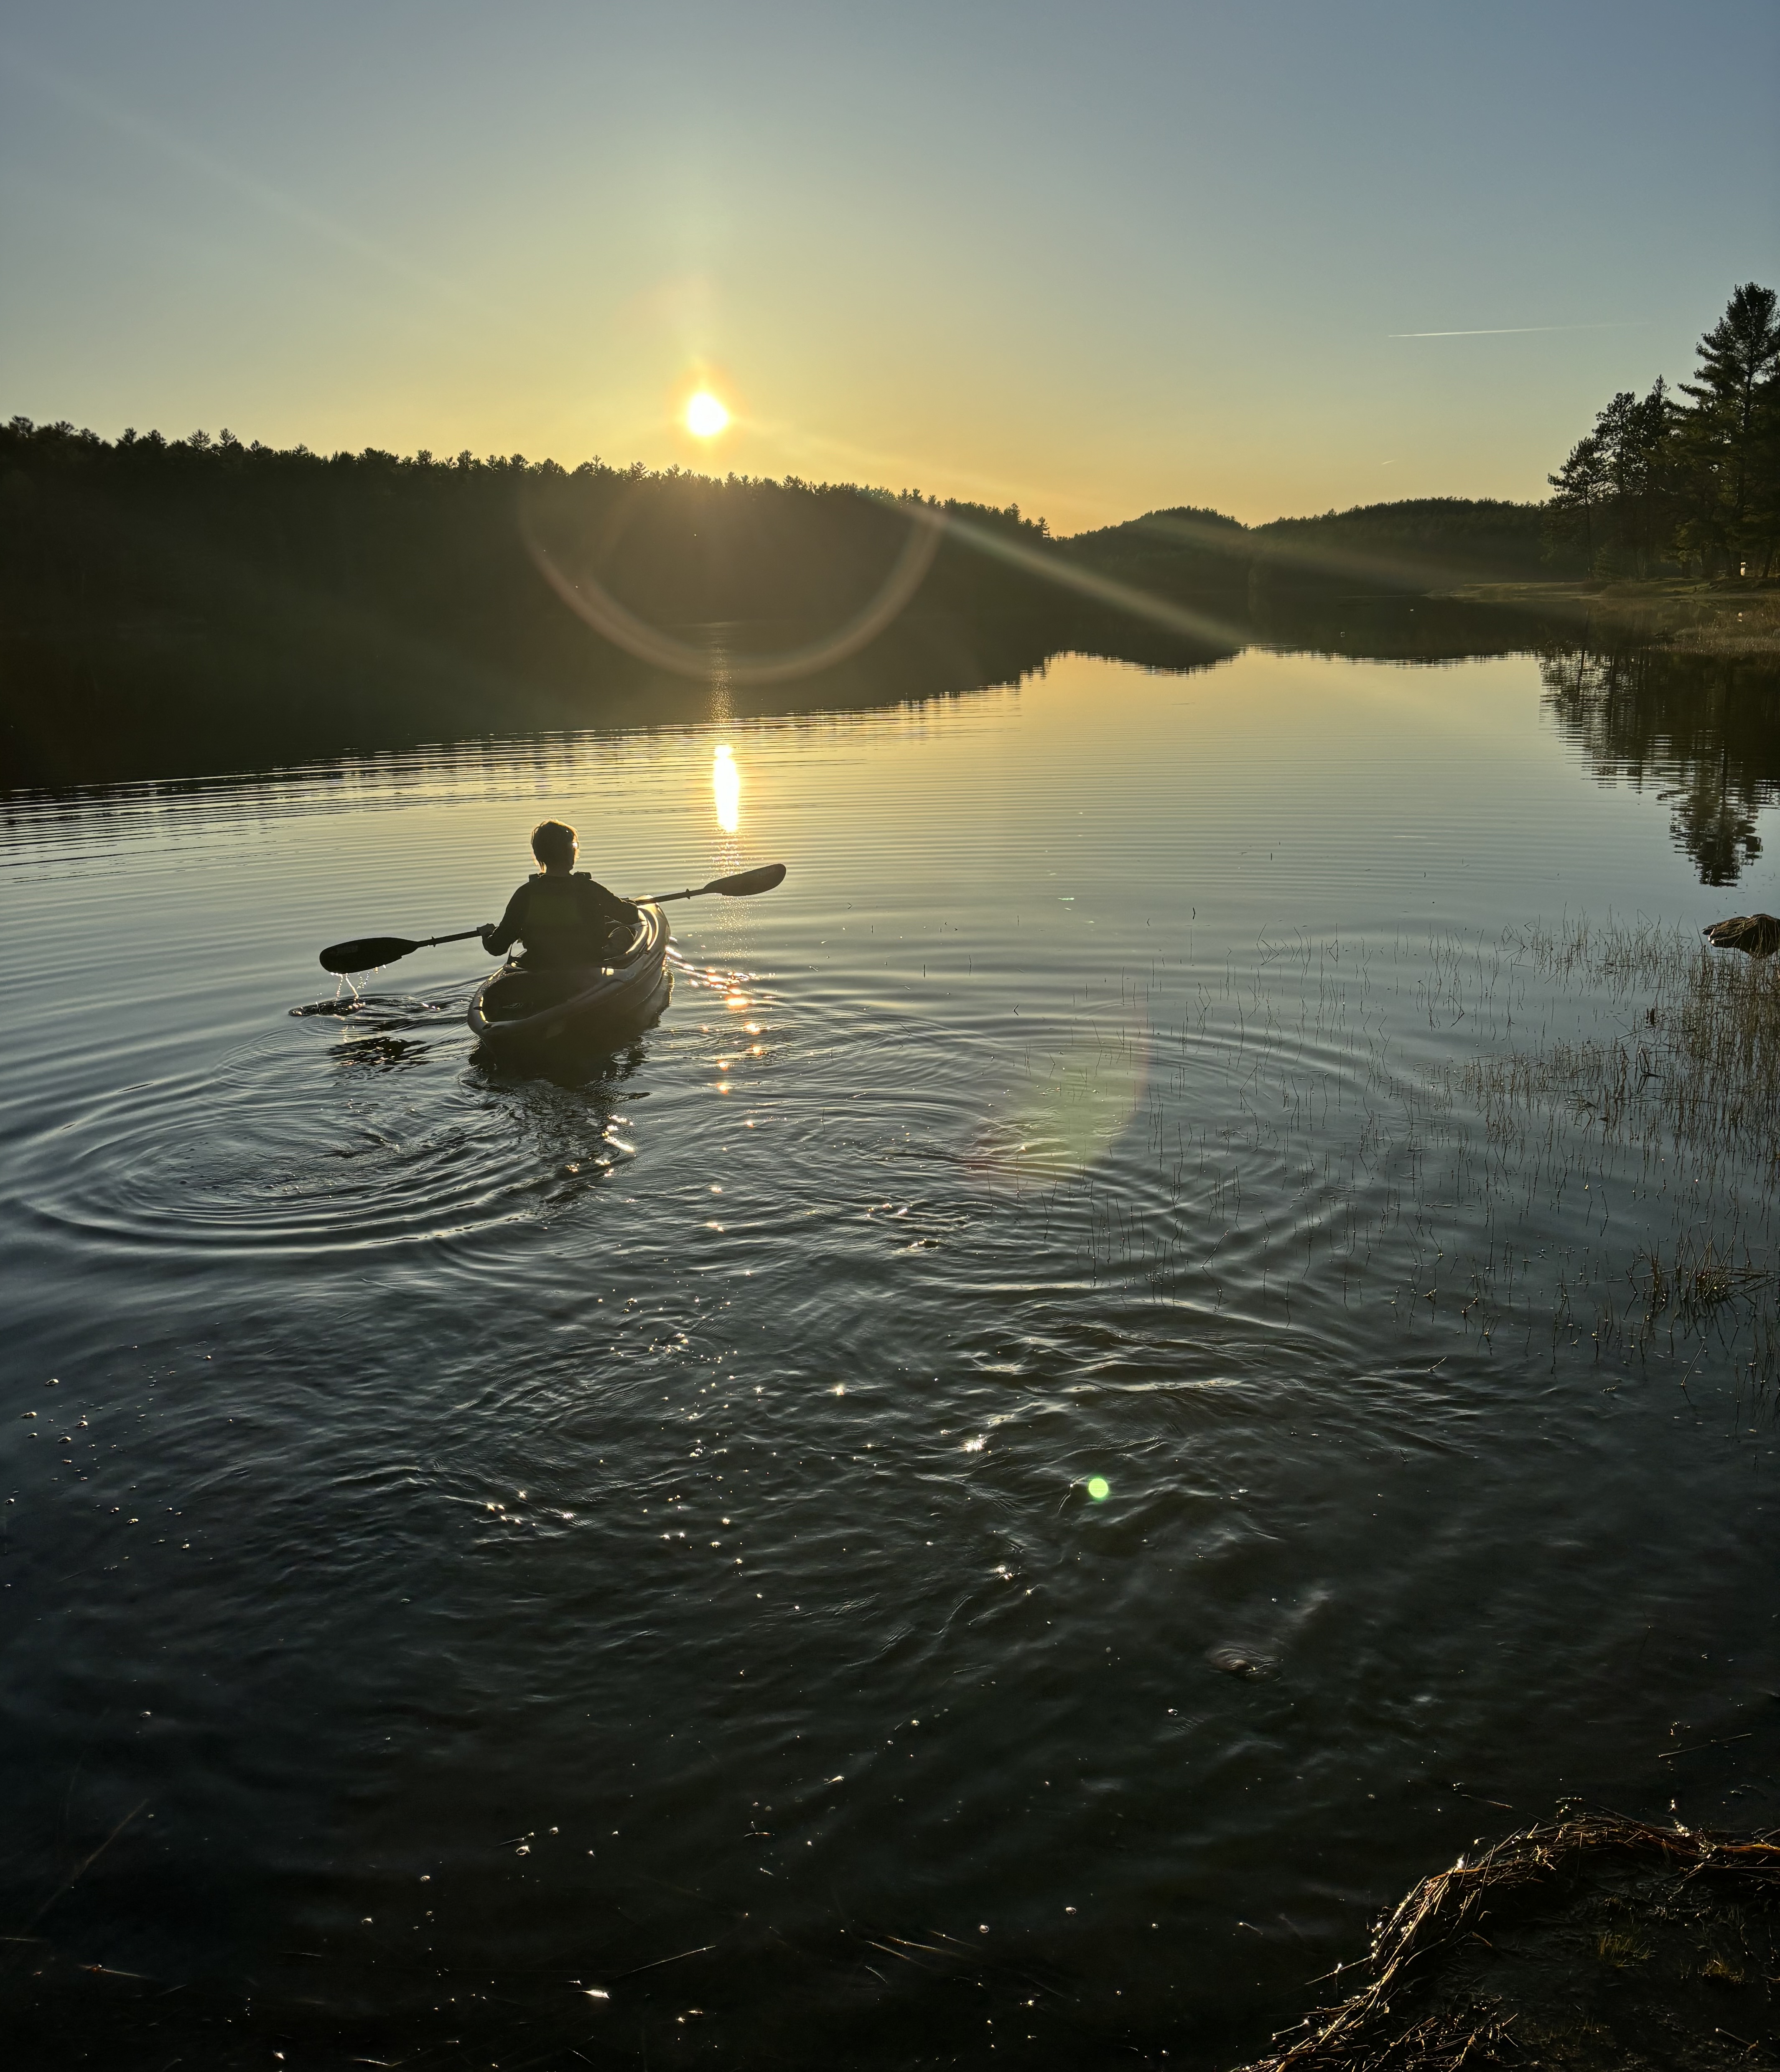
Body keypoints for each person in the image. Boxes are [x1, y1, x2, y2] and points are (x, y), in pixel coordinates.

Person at [481, 821, 638, 968]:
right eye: (574, 846)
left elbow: (497, 947)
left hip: (540, 964)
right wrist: (629, 904)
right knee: (624, 931)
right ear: (571, 852)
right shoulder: (589, 889)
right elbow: (631, 916)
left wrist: (487, 934)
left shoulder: (525, 894)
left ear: (539, 855)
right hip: (586, 964)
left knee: (608, 924)